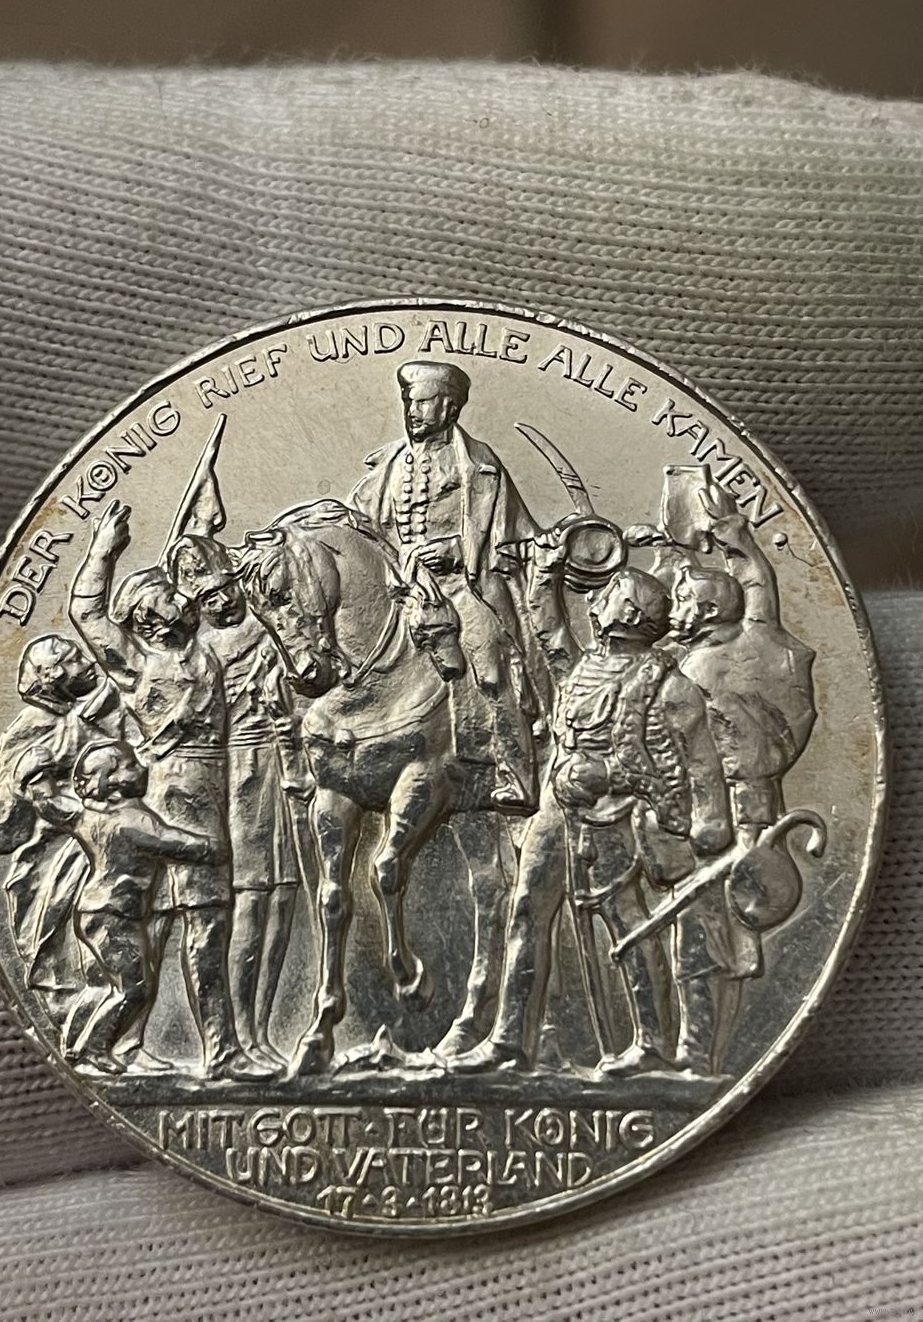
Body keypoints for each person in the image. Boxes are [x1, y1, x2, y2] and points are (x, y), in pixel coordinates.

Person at [456, 536, 731, 1075]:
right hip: (557, 812)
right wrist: (546, 568)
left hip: (617, 817)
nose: (593, 602)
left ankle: (651, 1043)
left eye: (604, 595)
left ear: (626, 614)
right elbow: (545, 625)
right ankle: (509, 1037)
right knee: (526, 909)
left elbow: (698, 768)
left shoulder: (671, 689)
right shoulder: (580, 667)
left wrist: (611, 775)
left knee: (626, 923)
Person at [631, 480, 817, 1075]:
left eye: (682, 601)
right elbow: (759, 589)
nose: (672, 609)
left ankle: (696, 1052)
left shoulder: (697, 668)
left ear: (708, 612)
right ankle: (691, 1047)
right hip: (724, 813)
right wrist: (736, 539)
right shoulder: (758, 638)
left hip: (725, 819)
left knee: (704, 937)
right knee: (704, 933)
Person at [68, 499, 253, 1079]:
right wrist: (103, 552)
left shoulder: (203, 651)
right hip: (175, 797)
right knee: (196, 920)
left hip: (212, 789)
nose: (184, 597)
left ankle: (212, 1047)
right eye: (171, 594)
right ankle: (210, 1051)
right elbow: (85, 612)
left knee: (209, 921)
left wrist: (200, 531)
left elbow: (209, 572)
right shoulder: (137, 664)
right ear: (149, 614)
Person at [349, 359, 540, 812]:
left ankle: (517, 777)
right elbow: (362, 529)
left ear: (449, 408)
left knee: (492, 670)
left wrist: (457, 549)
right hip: (400, 588)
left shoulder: (480, 465)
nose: (412, 412)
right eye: (408, 403)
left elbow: (511, 537)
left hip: (462, 587)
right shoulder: (386, 466)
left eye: (422, 403)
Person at [168, 532, 305, 1076]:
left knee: (284, 896)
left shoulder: (273, 622)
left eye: (225, 587)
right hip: (241, 772)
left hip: (291, 760)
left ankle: (262, 1029)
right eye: (206, 597)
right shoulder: (199, 651)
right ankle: (239, 1030)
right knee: (252, 897)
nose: (222, 601)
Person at [22, 739, 223, 1075]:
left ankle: (79, 1046)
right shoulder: (132, 822)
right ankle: (93, 1048)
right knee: (135, 989)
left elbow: (50, 804)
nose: (141, 767)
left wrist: (38, 776)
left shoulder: (87, 816)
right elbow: (173, 842)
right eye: (131, 765)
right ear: (112, 781)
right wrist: (210, 847)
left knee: (119, 986)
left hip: (98, 914)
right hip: (113, 916)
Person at [0, 635, 119, 1005]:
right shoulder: (33, 728)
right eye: (76, 660)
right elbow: (2, 825)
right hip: (60, 856)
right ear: (52, 677)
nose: (89, 663)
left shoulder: (91, 714)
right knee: (70, 946)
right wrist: (23, 782)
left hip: (109, 846)